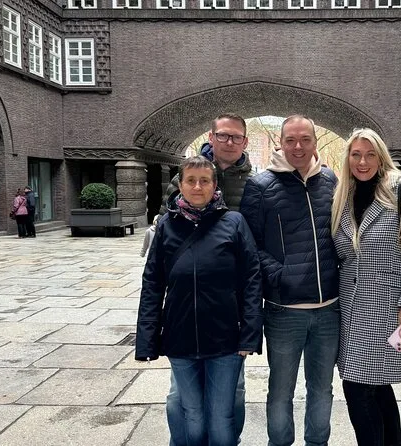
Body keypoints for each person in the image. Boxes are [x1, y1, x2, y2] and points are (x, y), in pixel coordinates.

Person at [136, 156, 263, 446]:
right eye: (191, 180)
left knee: (221, 418)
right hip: (180, 338)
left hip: (224, 340)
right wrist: (147, 339)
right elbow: (152, 283)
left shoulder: (234, 222)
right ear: (180, 185)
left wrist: (250, 334)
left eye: (204, 181)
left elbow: (251, 279)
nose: (197, 186)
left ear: (214, 185)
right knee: (191, 415)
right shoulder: (167, 225)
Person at [330, 128, 401, 446]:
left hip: (392, 312)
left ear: (381, 157)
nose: (362, 162)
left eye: (370, 155)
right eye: (356, 155)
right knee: (373, 386)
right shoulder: (343, 196)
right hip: (351, 313)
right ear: (348, 158)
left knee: (358, 387)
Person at [240, 115, 339, 446]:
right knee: (281, 389)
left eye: (305, 139)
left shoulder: (330, 180)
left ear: (314, 141)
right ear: (281, 142)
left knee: (322, 389)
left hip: (329, 310)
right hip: (284, 311)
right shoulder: (260, 185)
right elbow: (249, 245)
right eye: (291, 140)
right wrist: (279, 276)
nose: (298, 146)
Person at [160, 113, 255, 445]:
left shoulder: (254, 183)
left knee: (233, 392)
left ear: (245, 141)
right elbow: (170, 221)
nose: (229, 142)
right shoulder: (187, 173)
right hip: (188, 307)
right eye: (223, 135)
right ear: (211, 137)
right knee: (180, 394)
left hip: (228, 306)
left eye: (236, 137)